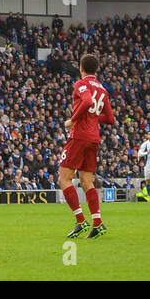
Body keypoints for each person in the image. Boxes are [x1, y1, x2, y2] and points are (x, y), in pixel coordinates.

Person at [59, 54, 115, 239]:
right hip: (94, 138)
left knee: (64, 179)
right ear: (96, 69)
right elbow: (110, 119)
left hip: (80, 135)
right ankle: (97, 223)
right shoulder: (103, 89)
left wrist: (72, 120)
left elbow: (88, 101)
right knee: (86, 181)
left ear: (81, 68)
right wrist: (93, 118)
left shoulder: (80, 84)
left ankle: (81, 220)